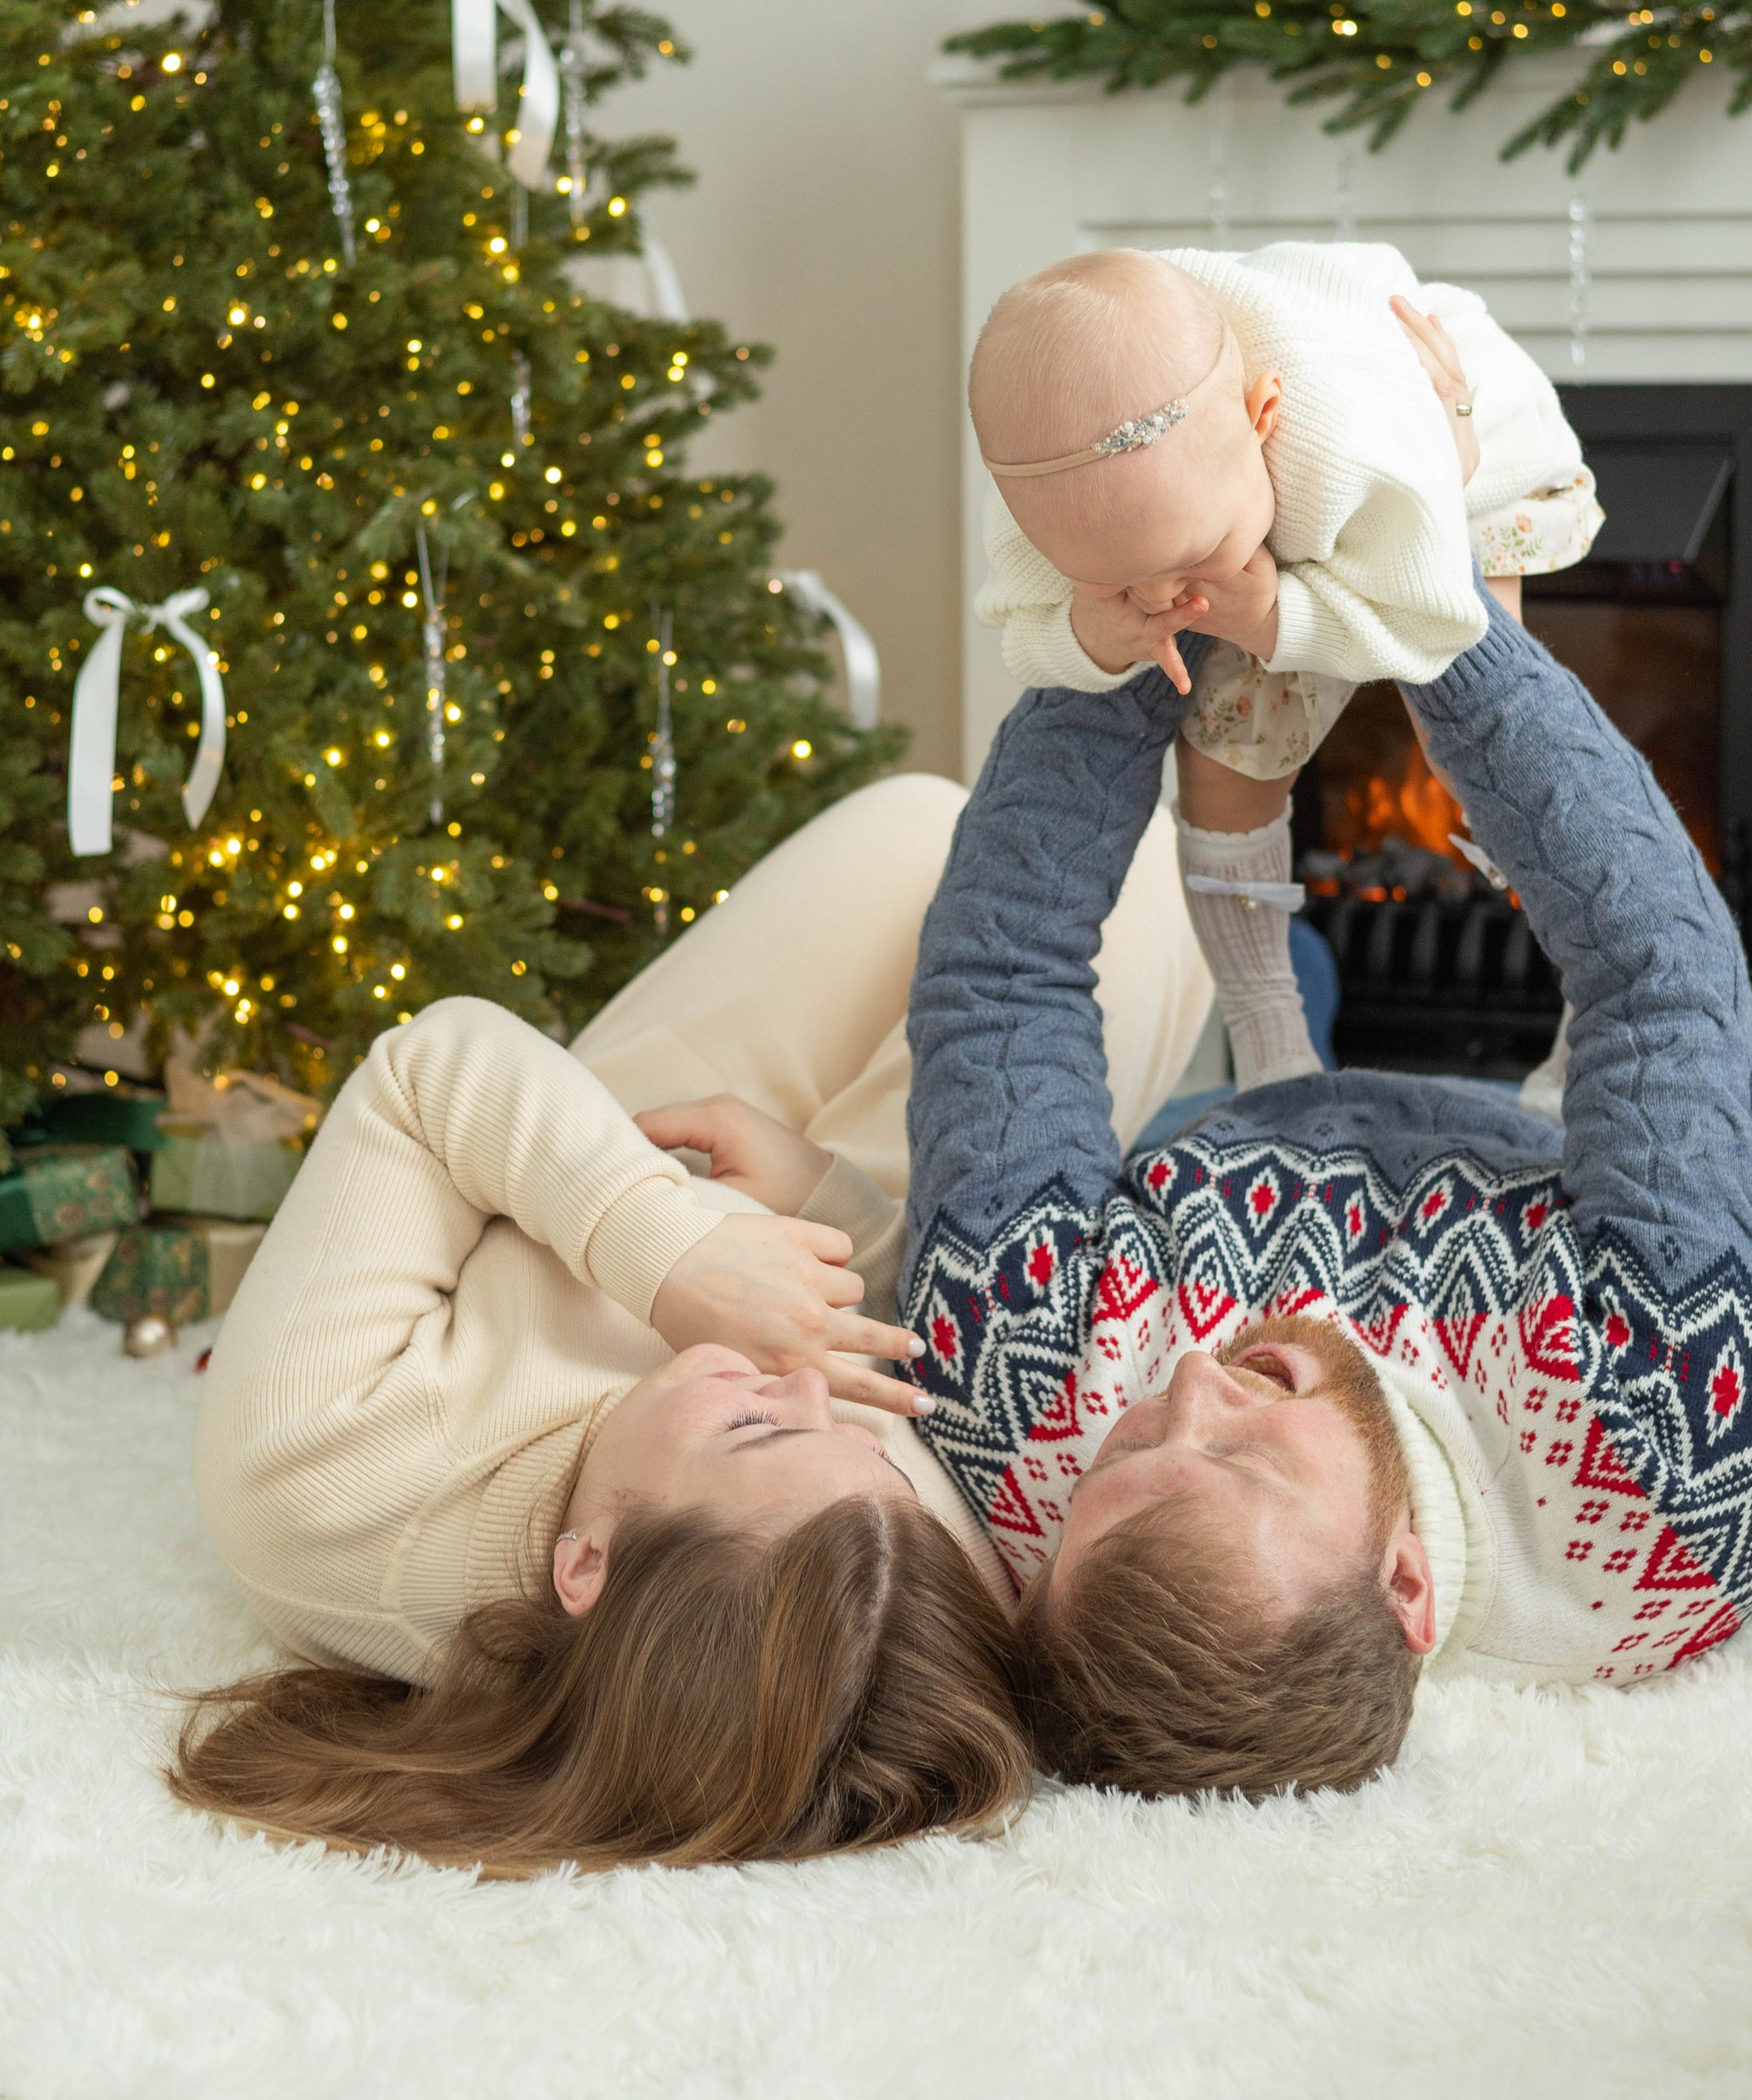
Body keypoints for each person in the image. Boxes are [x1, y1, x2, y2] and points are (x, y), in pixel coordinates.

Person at [899, 313, 1752, 1802]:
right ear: (1407, 1586)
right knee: (1605, 1023)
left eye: (1139, 1439)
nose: (1198, 1385)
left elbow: (997, 980)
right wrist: (1433, 605)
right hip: (1533, 1176)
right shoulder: (1688, 1449)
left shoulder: (1026, 1428)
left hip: (1226, 1141)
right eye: (1253, 1457)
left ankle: (1282, 1002)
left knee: (1264, 959)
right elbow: (1659, 967)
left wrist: (1138, 610)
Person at [174, 780, 1212, 1873]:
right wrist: (829, 1202)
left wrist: (669, 1253)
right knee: (1142, 881)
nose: (806, 1389)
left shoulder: (306, 1479)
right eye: (866, 1451)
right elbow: (901, 1334)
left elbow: (432, 1077)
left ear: (587, 1568)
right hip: (809, 1219)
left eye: (756, 1429)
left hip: (595, 1159)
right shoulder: (880, 1587)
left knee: (963, 829)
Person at [969, 239, 1599, 797]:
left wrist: (1272, 620)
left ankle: (1521, 897)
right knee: (1223, 769)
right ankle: (1250, 933)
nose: (1162, 596)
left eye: (1191, 554)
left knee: (1471, 734)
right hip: (1288, 491)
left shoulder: (1350, 446)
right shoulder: (1050, 475)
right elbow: (1020, 632)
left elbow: (1432, 623)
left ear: (1261, 415)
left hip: (1459, 454)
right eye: (1112, 573)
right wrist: (1090, 637)